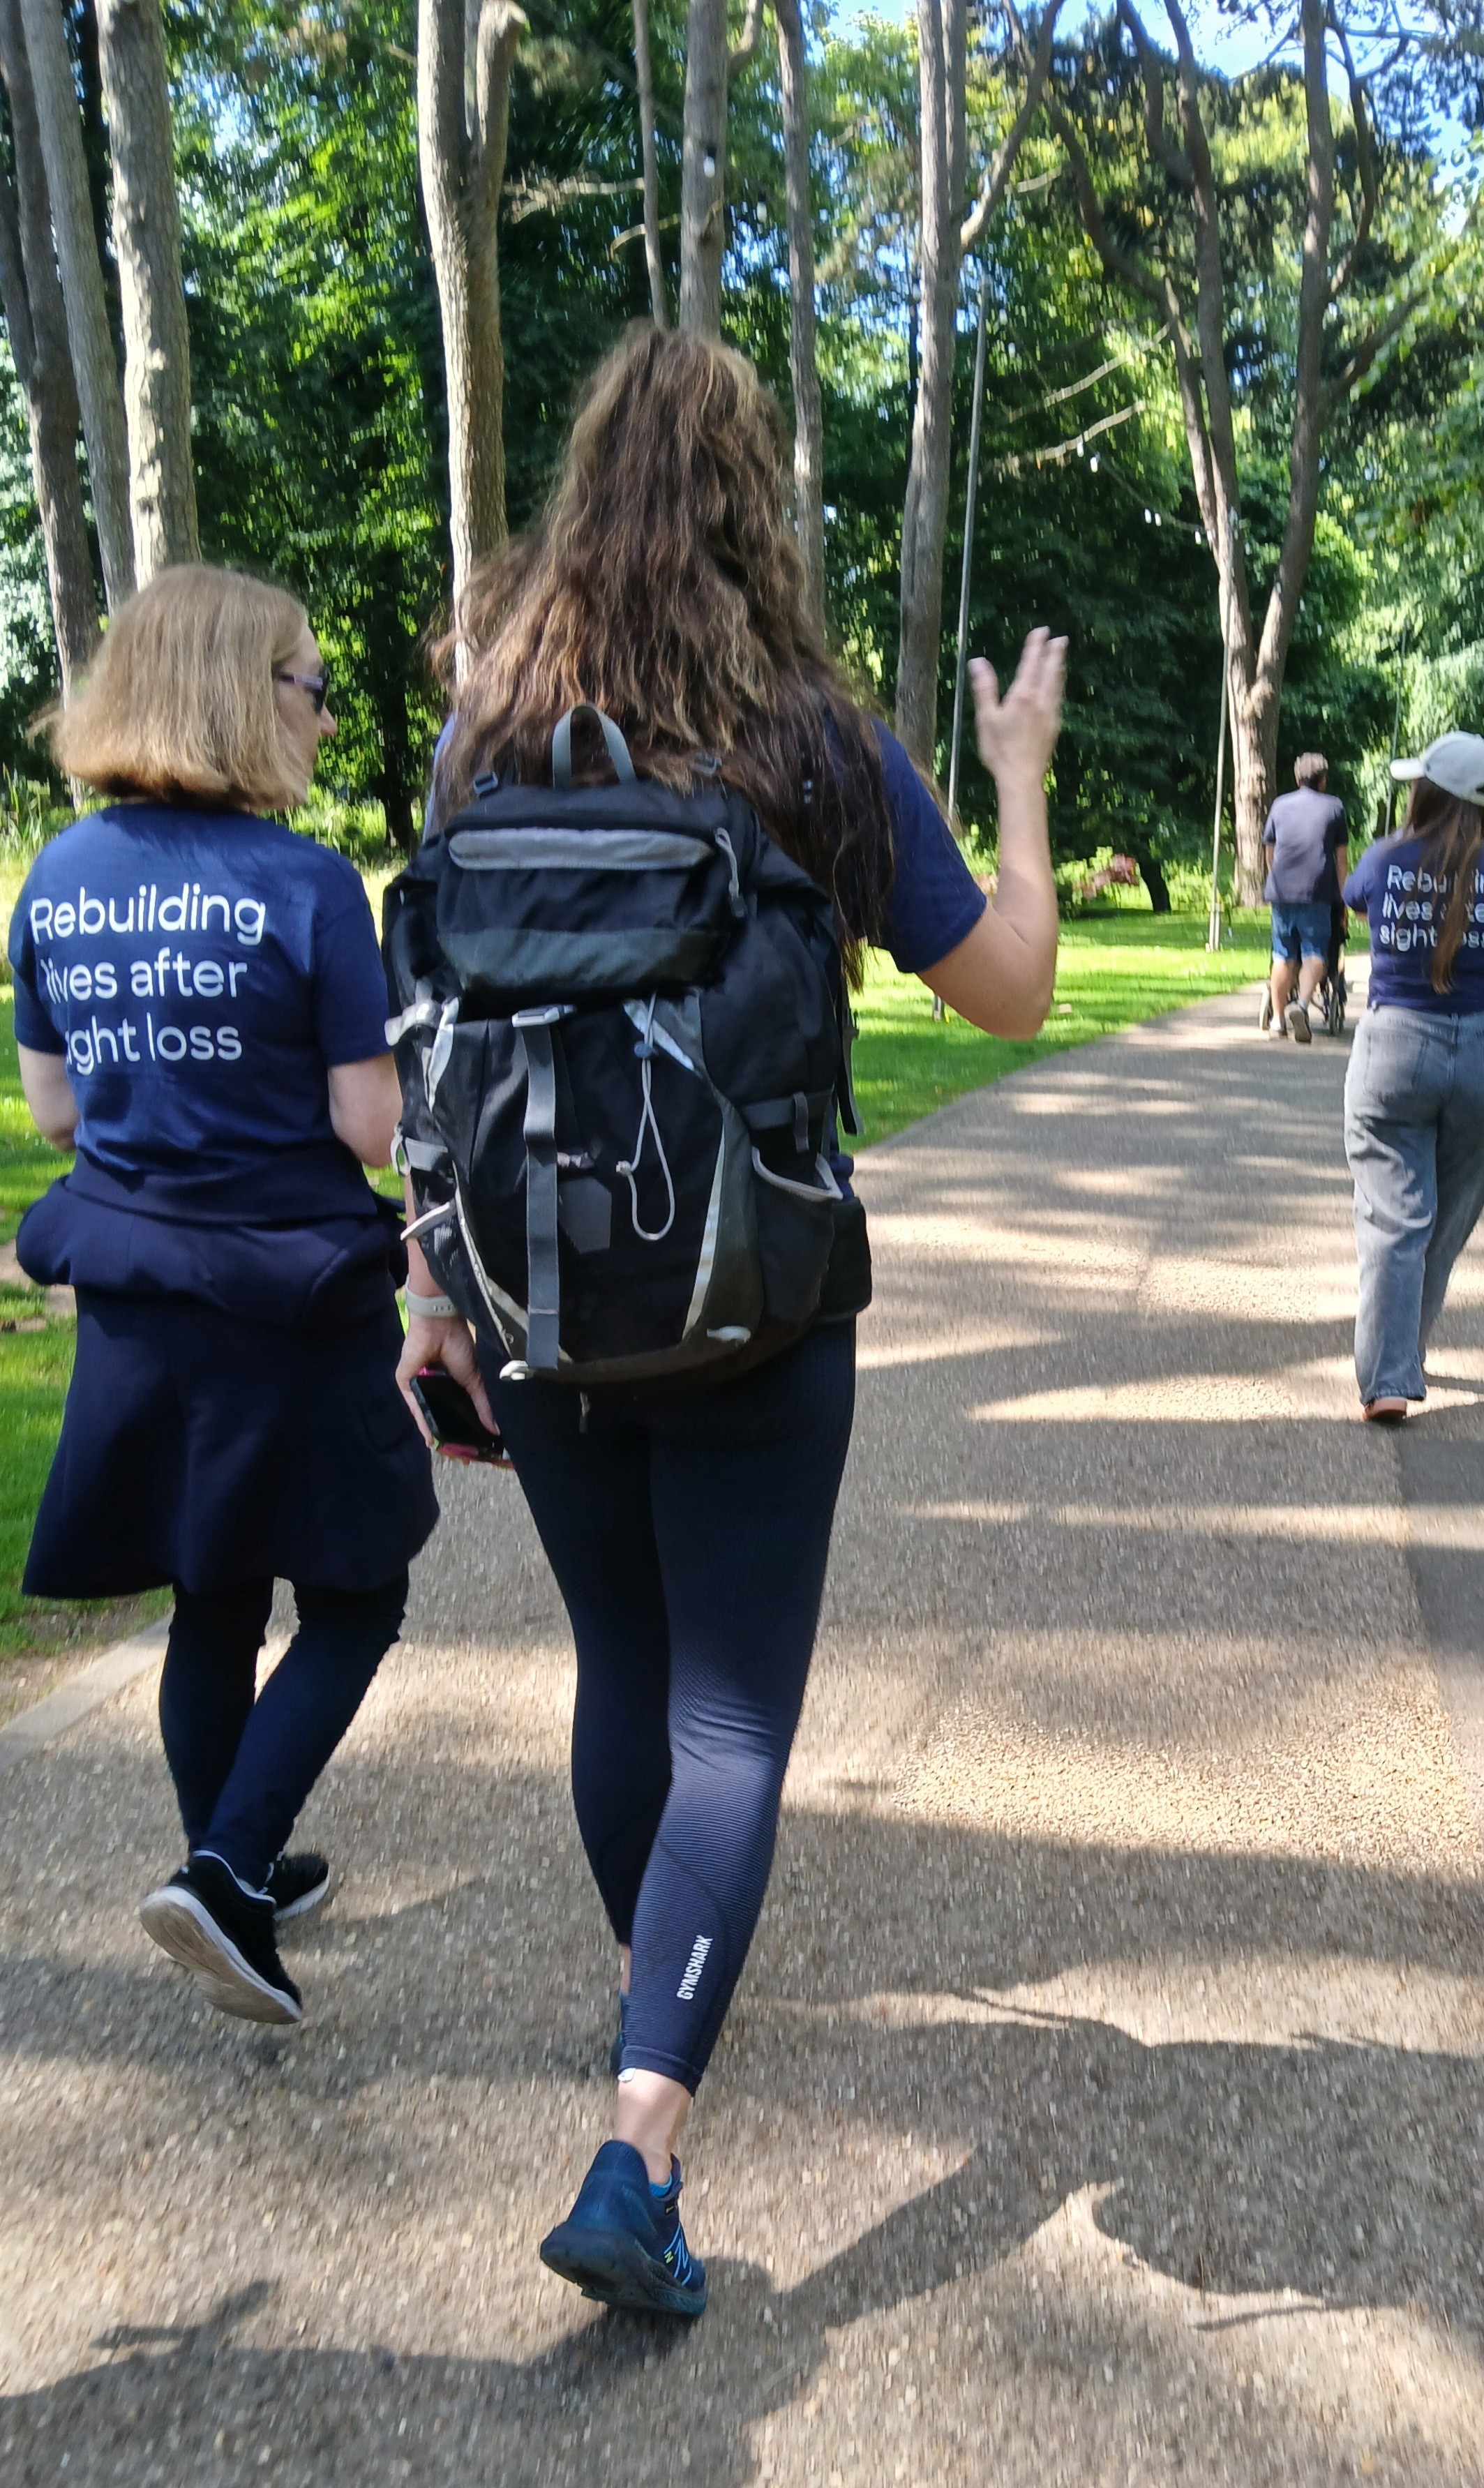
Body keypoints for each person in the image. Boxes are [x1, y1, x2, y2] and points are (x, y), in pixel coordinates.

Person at [396, 326, 1067, 2319]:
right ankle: (638, 2142)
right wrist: (1016, 778)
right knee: (732, 1713)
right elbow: (1015, 988)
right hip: (755, 1296)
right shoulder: (812, 739)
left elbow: (441, 1033)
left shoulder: (481, 738)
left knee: (626, 1662)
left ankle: (655, 1998)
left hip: (532, 1289)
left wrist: (431, 1280)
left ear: (574, 503)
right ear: (749, 505)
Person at [8, 566, 432, 2027]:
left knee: (212, 1591)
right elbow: (372, 1128)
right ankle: (230, 1864)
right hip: (293, 1302)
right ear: (239, 697)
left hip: (137, 1299)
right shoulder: (308, 888)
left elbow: (55, 1115)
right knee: (361, 1597)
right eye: (308, 684)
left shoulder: (57, 877)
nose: (322, 712)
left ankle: (226, 1866)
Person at [1341, 734, 1484, 1425]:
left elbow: (1355, 903)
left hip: (1395, 1047)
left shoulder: (1384, 857)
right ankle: (1405, 1356)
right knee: (1445, 1217)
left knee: (1393, 1216)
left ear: (1428, 792)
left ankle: (1388, 1377)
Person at [1259, 751, 1348, 1045]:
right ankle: (1304, 1006)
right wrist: (1343, 900)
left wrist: (1279, 881)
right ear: (1323, 781)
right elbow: (1341, 861)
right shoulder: (1335, 807)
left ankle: (1277, 1019)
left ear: (1298, 779)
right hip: (1317, 891)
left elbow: (1269, 853)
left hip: (1281, 891)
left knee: (1283, 954)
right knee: (1314, 953)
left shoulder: (1279, 805)